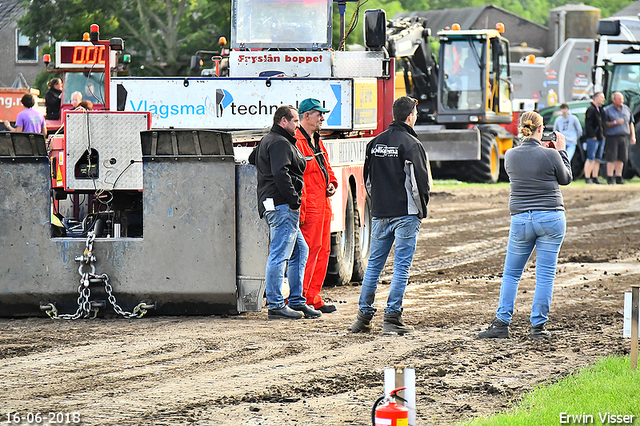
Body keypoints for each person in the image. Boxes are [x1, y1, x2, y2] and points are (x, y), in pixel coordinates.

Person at [478, 111, 572, 340]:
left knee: (511, 274)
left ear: (521, 128)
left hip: (521, 219)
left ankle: (501, 323)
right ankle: (537, 327)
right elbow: (566, 178)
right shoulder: (551, 155)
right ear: (541, 130)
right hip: (550, 217)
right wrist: (560, 151)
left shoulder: (510, 155)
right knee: (545, 275)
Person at [349, 96, 430, 335]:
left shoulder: (375, 143)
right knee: (401, 268)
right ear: (410, 117)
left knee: (373, 266)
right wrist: (420, 210)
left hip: (380, 214)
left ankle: (363, 317)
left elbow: (368, 181)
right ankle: (392, 318)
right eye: (415, 114)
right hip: (405, 214)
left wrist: (378, 206)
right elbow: (420, 184)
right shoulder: (411, 144)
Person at [250, 105, 321, 320]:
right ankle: (275, 304)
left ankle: (297, 301)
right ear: (284, 121)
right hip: (282, 206)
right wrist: (293, 199)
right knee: (280, 254)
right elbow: (281, 172)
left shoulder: (269, 140)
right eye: (295, 121)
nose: (298, 125)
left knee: (300, 250)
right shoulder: (280, 142)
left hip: (274, 204)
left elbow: (254, 159)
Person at [295, 98, 338, 313]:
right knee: (308, 252)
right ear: (306, 116)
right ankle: (300, 298)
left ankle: (313, 297)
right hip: (309, 206)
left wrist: (332, 183)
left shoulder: (316, 140)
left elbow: (326, 167)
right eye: (318, 114)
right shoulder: (298, 142)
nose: (322, 118)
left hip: (322, 203)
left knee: (323, 250)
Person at [603, 92, 636, 184]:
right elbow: (604, 124)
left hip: (624, 136)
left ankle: (619, 176)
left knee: (621, 158)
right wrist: (614, 122)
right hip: (612, 137)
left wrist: (633, 136)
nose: (621, 101)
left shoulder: (627, 109)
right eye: (619, 99)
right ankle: (609, 177)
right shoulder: (607, 110)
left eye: (622, 99)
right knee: (611, 158)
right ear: (613, 100)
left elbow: (631, 123)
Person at [583, 92, 606, 184]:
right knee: (590, 157)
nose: (603, 100)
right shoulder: (591, 110)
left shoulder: (601, 110)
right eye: (601, 97)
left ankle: (595, 177)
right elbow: (588, 124)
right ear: (595, 98)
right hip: (593, 138)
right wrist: (592, 135)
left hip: (600, 136)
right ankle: (587, 177)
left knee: (598, 158)